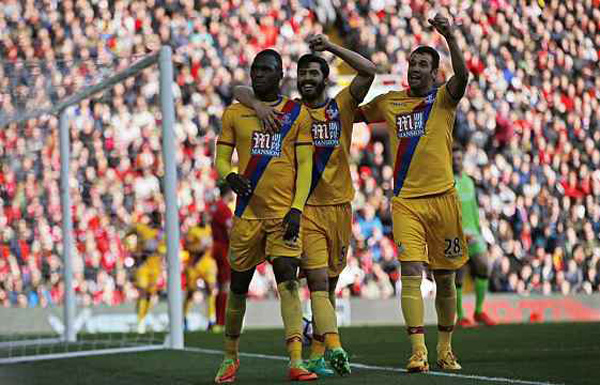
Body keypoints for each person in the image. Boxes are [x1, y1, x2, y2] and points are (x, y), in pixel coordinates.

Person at [232, 34, 376, 377]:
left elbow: (369, 71)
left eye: (314, 75)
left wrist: (330, 48)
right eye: (303, 76)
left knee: (329, 281)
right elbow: (239, 91)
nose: (308, 80)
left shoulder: (341, 106)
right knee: (317, 283)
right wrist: (257, 105)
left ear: (325, 79)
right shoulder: (291, 112)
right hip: (304, 208)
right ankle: (332, 346)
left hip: (340, 208)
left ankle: (319, 352)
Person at [357, 14, 469, 372]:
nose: (416, 68)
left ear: (435, 73)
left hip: (444, 200)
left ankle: (445, 347)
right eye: (413, 63)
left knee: (446, 279)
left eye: (424, 64)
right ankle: (418, 350)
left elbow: (463, 77)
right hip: (407, 202)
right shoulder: (389, 102)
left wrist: (450, 36)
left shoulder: (444, 100)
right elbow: (351, 114)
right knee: (410, 273)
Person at [213, 49, 317, 383]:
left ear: (279, 74)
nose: (258, 74)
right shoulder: (235, 113)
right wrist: (228, 176)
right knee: (238, 287)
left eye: (265, 70)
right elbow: (220, 160)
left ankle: (296, 360)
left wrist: (297, 208)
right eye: (255, 69)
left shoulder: (297, 114)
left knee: (287, 278)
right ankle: (229, 357)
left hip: (282, 215)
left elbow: (305, 167)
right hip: (247, 216)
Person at [452, 145, 497, 327]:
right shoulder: (447, 182)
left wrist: (479, 230)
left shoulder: (469, 182)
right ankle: (461, 315)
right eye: (453, 158)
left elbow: (473, 209)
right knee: (459, 275)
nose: (456, 161)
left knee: (484, 266)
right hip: (456, 234)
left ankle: (478, 311)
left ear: (463, 160)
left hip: (474, 233)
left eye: (459, 158)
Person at [124, 210, 164, 334]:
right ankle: (140, 321)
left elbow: (164, 249)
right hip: (143, 267)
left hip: (156, 268)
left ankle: (143, 317)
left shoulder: (162, 233)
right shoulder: (142, 229)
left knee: (149, 295)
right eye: (156, 218)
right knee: (142, 292)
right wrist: (131, 247)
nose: (158, 220)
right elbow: (128, 232)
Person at [182, 221, 218, 331]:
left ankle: (212, 320)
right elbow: (187, 246)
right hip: (194, 265)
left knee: (211, 290)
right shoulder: (193, 231)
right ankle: (185, 318)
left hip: (207, 264)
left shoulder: (211, 230)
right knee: (191, 292)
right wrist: (199, 248)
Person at [209, 183, 235, 332]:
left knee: (221, 286)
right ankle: (221, 322)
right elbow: (230, 229)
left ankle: (219, 321)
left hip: (216, 247)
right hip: (224, 248)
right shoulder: (223, 209)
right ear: (229, 192)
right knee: (226, 285)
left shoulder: (214, 207)